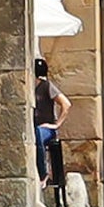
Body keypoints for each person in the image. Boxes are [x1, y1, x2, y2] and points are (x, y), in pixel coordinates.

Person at [33, 58, 71, 186]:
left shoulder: (47, 86)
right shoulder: (31, 89)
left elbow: (66, 104)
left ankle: (43, 174)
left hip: (46, 129)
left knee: (39, 133)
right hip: (35, 127)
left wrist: (56, 125)